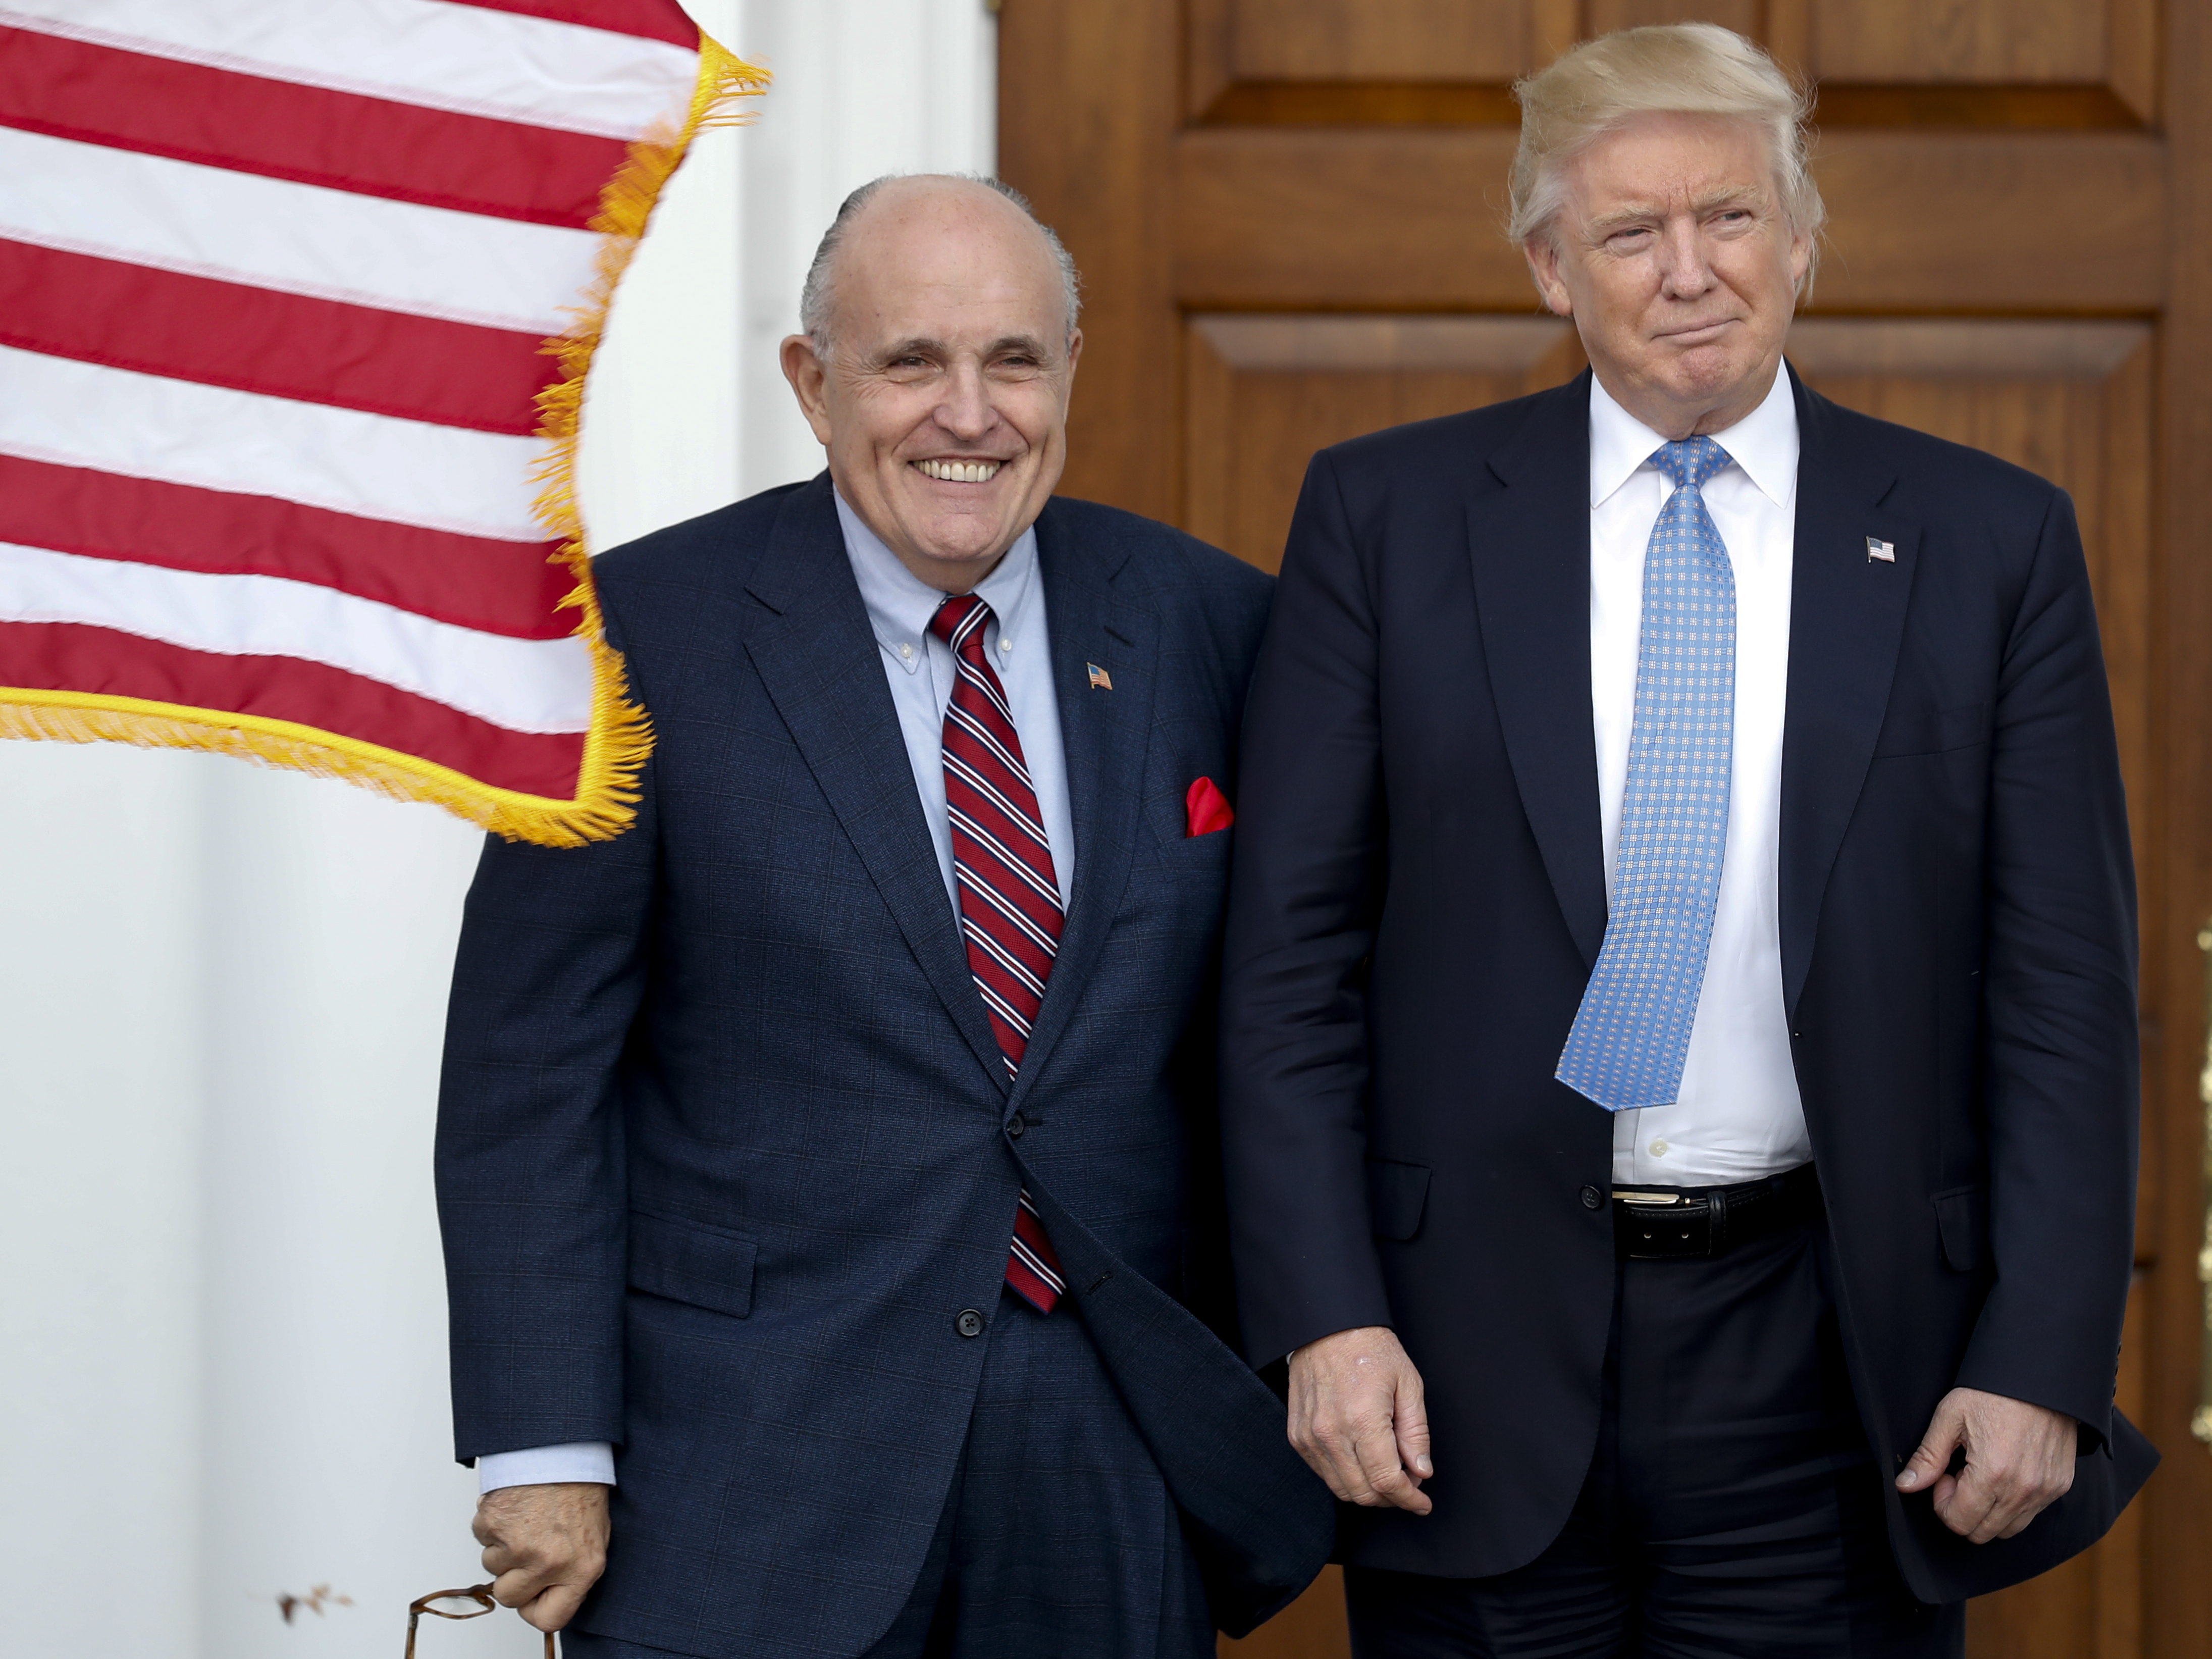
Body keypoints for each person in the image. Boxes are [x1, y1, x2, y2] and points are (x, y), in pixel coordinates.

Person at [1218, 24, 2156, 1657]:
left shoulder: (1989, 542)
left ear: (1799, 241)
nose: (1688, 273)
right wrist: (1326, 1315)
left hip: (1838, 1366)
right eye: (1630, 233)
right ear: (1546, 267)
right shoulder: (1384, 521)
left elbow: (2065, 990)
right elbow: (1290, 965)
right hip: (1460, 1367)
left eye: (1728, 217)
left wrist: (2042, 1354)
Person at [435, 174, 1330, 1659]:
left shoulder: (1216, 626)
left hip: (1109, 1439)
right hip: (744, 1455)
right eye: (912, 360)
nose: (966, 414)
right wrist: (546, 1448)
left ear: (1067, 376)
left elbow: (1305, 1009)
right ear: (813, 380)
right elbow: (530, 1078)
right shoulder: (636, 638)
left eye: (1014, 361)